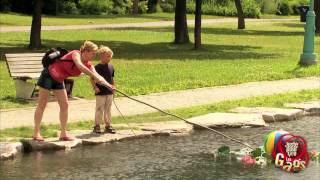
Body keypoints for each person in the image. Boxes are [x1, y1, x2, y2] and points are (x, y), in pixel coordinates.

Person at [33, 41, 115, 141]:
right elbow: (80, 66)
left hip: (59, 79)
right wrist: (93, 76)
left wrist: (109, 85)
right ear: (85, 51)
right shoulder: (75, 53)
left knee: (65, 105)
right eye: (93, 53)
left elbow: (98, 76)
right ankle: (36, 133)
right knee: (42, 104)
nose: (94, 56)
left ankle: (63, 134)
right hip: (48, 75)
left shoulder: (89, 64)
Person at [90, 45, 116, 134]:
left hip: (109, 92)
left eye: (110, 56)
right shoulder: (97, 67)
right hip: (100, 92)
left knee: (108, 109)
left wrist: (113, 87)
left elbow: (112, 78)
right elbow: (92, 78)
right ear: (101, 56)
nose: (109, 58)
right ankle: (97, 125)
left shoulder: (111, 66)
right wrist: (95, 87)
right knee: (99, 108)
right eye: (107, 56)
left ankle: (108, 125)